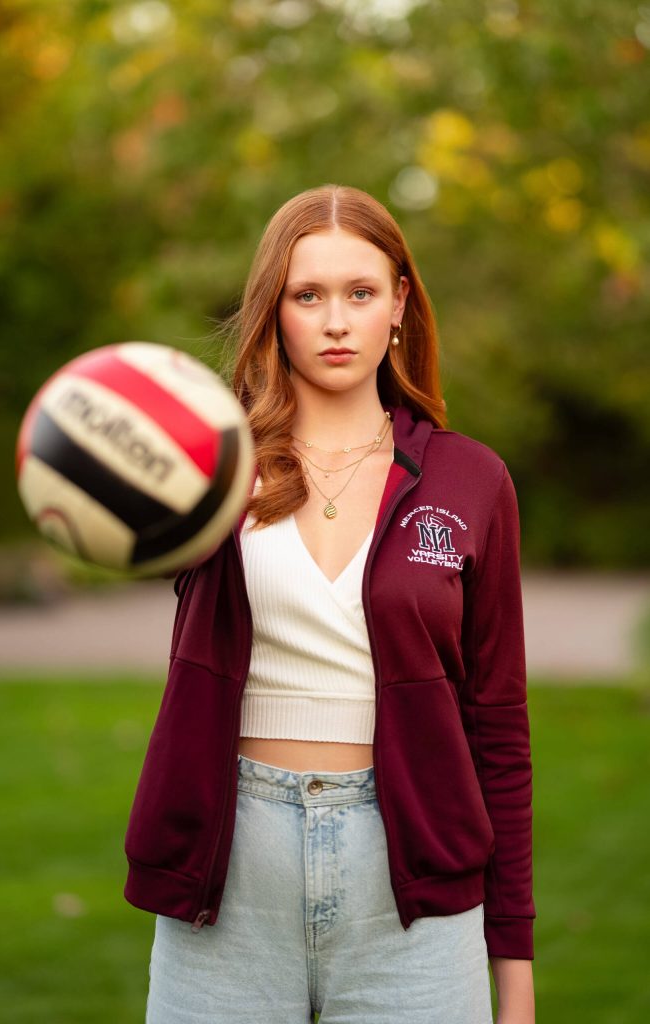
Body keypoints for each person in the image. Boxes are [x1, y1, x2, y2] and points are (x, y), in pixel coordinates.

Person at [124, 184, 536, 1023]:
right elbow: (122, 521)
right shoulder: (213, 468)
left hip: (413, 891)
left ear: (399, 304)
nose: (336, 321)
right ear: (273, 311)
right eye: (307, 296)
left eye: (360, 292)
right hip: (228, 878)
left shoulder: (470, 479)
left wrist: (515, 973)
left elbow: (497, 726)